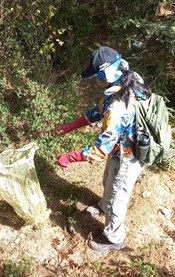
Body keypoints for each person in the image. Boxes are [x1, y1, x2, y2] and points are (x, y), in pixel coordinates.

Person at [52, 46, 149, 251]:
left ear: (107, 74)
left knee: (117, 196)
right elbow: (98, 110)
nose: (96, 81)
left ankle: (114, 238)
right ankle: (104, 205)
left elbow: (100, 150)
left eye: (98, 76)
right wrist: (72, 125)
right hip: (119, 149)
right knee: (108, 180)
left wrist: (70, 157)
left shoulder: (118, 105)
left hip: (128, 156)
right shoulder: (127, 80)